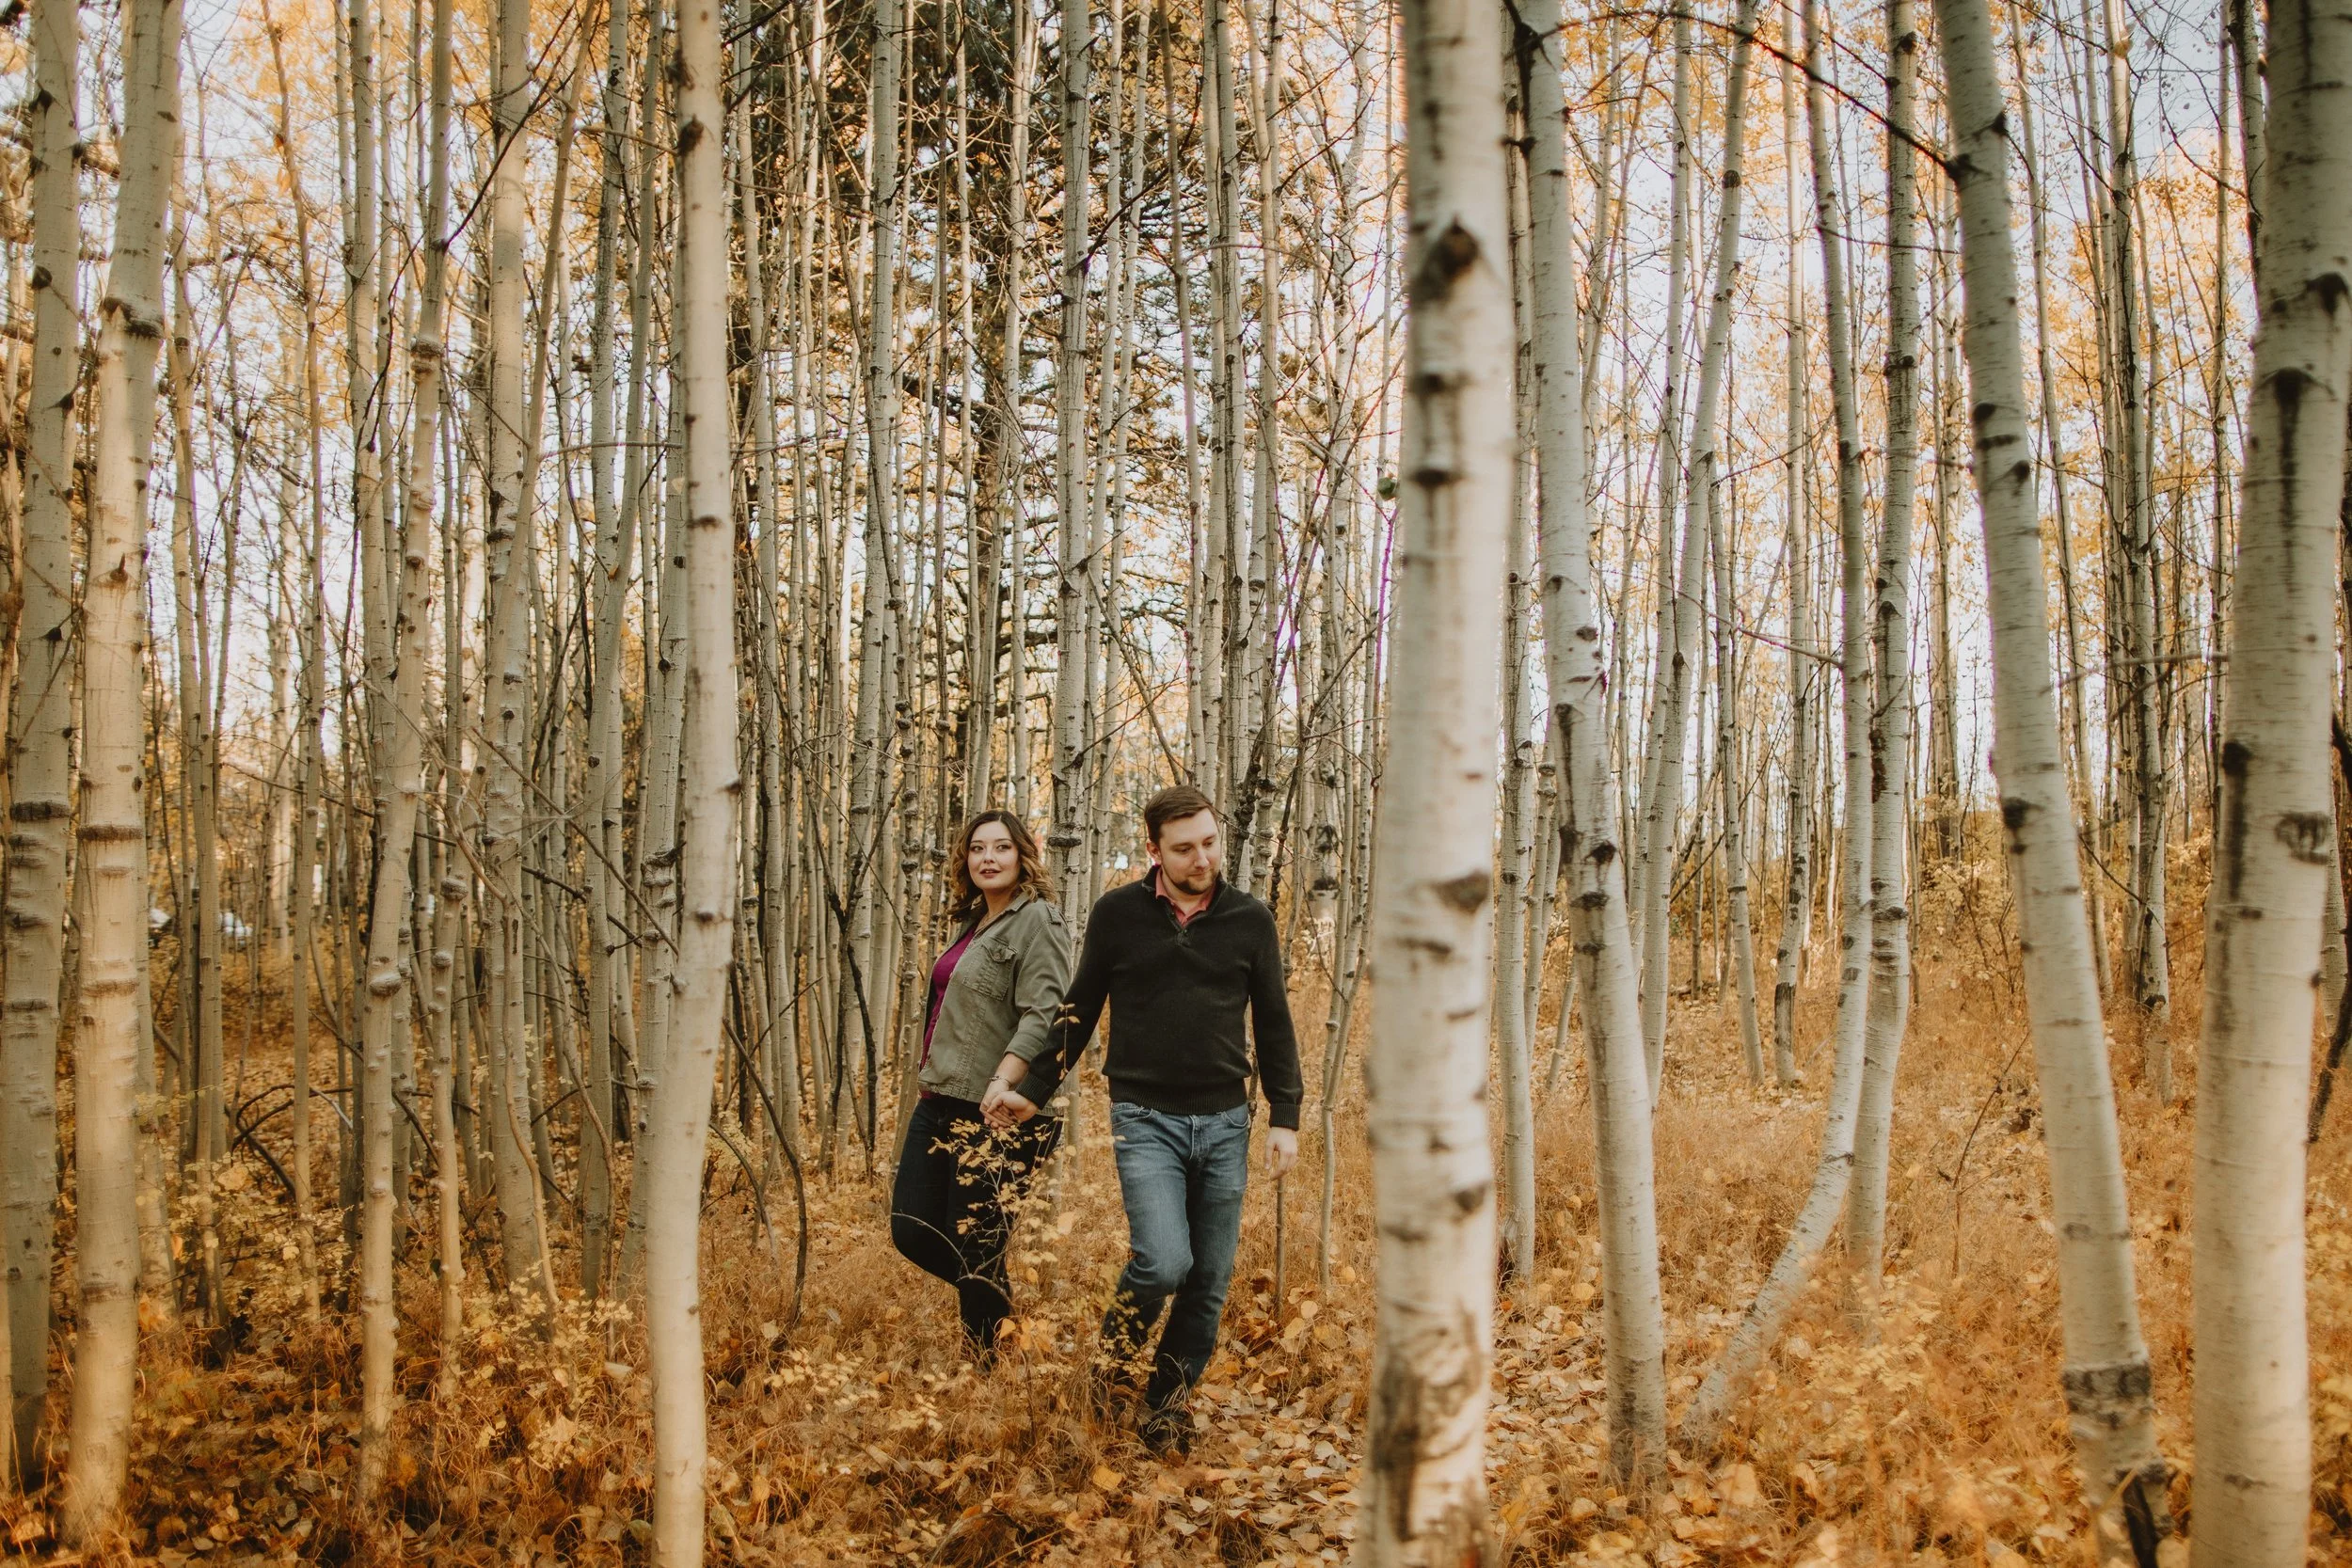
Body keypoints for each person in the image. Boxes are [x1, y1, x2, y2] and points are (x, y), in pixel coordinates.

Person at [990, 784, 1301, 1452]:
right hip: (1145, 1117)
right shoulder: (1118, 914)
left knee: (1208, 1280)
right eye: (1184, 848)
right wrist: (1034, 1088)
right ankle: (1107, 1374)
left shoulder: (1250, 919)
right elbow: (1079, 1007)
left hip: (1225, 1120)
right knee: (1162, 1262)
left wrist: (1286, 1114)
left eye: (1210, 843)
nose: (1202, 858)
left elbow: (1274, 1020)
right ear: (1155, 850)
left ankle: (1166, 1406)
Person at [889, 811, 1070, 1361]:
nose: (987, 858)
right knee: (911, 1229)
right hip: (941, 1096)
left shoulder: (1039, 921)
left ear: (1023, 854)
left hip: (997, 1109)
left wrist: (1004, 1080)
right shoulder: (974, 921)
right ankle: (1002, 1314)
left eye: (1001, 847)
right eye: (977, 848)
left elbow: (1045, 1014)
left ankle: (986, 1368)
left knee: (977, 1244)